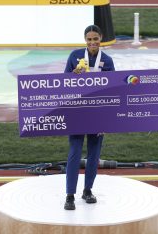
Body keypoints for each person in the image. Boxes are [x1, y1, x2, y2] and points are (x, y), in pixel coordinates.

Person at [63, 25, 115, 210]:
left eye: (95, 39)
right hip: (77, 110)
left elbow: (112, 89)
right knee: (74, 153)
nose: (92, 42)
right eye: (89, 39)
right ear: (85, 40)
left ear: (101, 38)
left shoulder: (107, 61)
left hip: (98, 113)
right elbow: (63, 83)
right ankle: (70, 195)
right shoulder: (75, 56)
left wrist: (108, 117)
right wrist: (72, 75)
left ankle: (87, 190)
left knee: (94, 155)